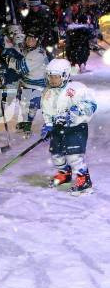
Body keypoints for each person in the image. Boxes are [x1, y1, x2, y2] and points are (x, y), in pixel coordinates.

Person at [40, 59, 97, 195]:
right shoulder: (48, 92)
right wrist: (48, 125)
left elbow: (91, 104)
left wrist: (72, 113)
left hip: (75, 128)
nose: (53, 80)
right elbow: (46, 111)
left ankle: (84, 180)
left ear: (65, 76)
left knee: (74, 156)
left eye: (56, 77)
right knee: (56, 154)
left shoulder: (76, 88)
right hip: (57, 128)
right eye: (50, 77)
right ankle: (64, 174)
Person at [15, 31, 49, 136]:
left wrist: (10, 60)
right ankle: (26, 122)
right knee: (24, 104)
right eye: (28, 38)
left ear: (37, 41)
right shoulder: (28, 50)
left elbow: (21, 68)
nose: (30, 41)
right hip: (26, 83)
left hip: (37, 85)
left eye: (33, 39)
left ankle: (29, 124)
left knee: (32, 106)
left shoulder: (38, 53)